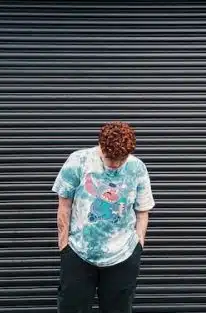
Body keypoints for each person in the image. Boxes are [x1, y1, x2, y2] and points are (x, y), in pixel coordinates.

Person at [52, 121, 155, 313]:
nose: (115, 164)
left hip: (123, 257)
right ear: (100, 146)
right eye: (110, 158)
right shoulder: (78, 161)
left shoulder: (137, 168)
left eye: (121, 160)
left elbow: (143, 211)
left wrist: (138, 247)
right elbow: (64, 206)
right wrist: (64, 248)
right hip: (79, 254)